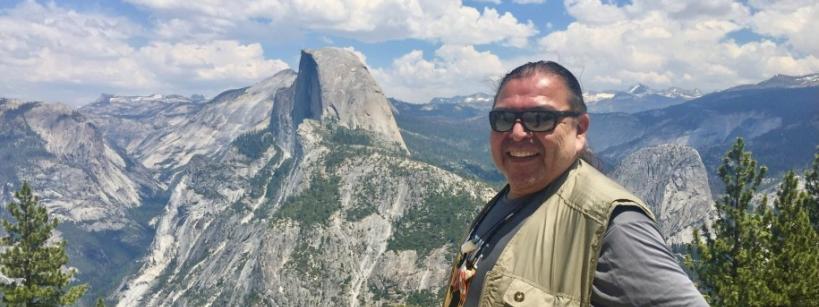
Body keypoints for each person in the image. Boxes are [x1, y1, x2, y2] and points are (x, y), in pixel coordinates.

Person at [442, 61, 708, 307]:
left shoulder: (613, 226)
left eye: (540, 119)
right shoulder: (510, 198)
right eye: (504, 119)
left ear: (579, 129)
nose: (517, 133)